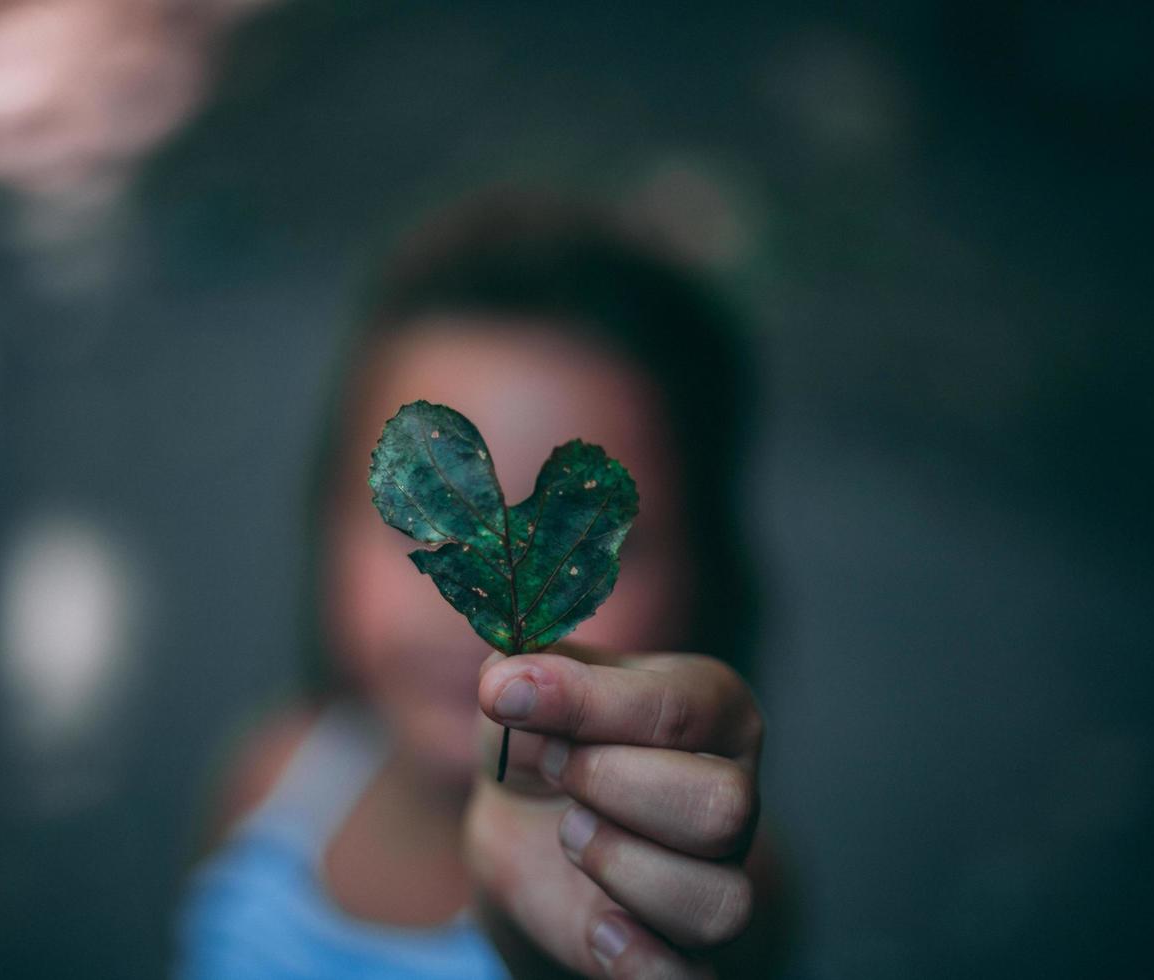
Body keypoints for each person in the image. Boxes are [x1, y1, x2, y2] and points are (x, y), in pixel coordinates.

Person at [178, 194, 785, 979]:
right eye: (424, 517)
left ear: (706, 573)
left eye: (576, 540)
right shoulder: (268, 785)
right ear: (326, 515)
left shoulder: (698, 888)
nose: (480, 614)